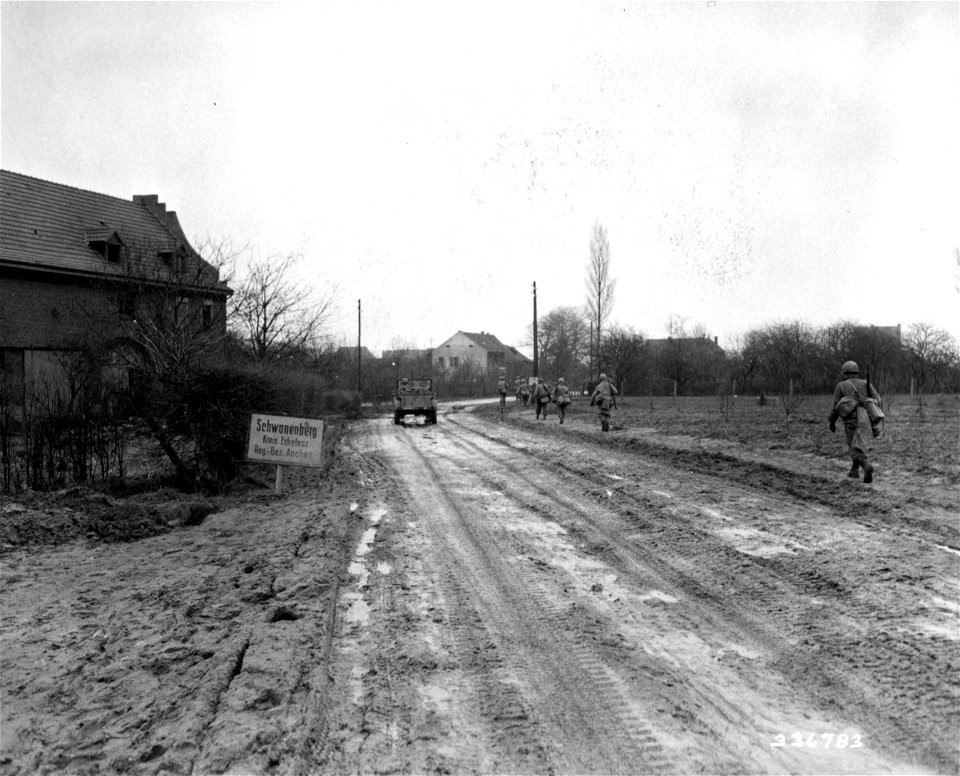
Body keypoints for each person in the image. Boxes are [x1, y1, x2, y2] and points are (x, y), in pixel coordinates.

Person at [828, 360, 883, 483]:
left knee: (853, 448)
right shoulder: (865, 383)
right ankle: (854, 470)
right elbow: (878, 399)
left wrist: (832, 422)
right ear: (856, 373)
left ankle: (866, 465)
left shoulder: (841, 386)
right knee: (858, 444)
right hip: (865, 419)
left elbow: (836, 407)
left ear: (845, 373)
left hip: (850, 420)